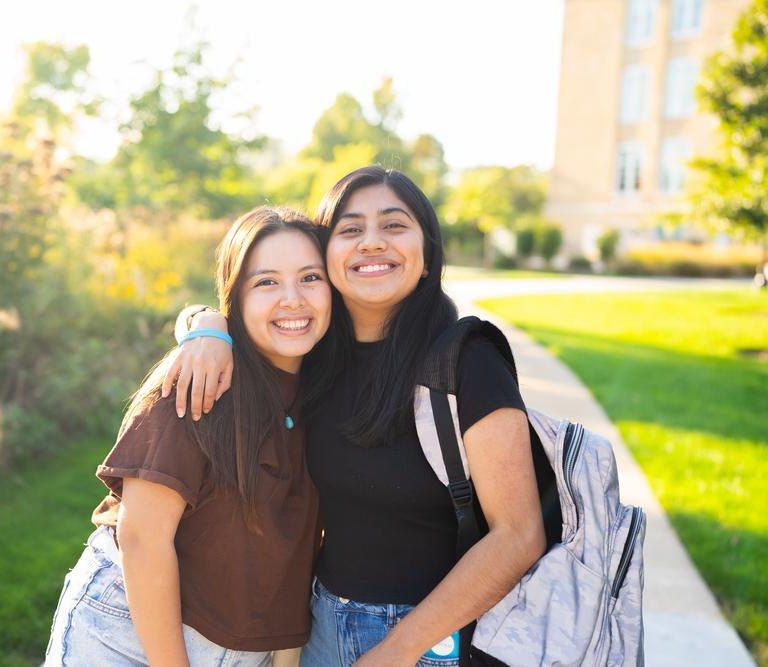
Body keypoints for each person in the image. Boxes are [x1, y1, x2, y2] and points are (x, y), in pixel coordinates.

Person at [166, 166, 547, 666]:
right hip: (318, 625)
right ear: (326, 258)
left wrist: (397, 651)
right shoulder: (315, 354)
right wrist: (206, 325)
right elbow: (251, 309)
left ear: (427, 256)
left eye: (394, 225)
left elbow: (519, 535)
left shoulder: (468, 359)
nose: (371, 242)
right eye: (350, 229)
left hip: (429, 639)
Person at [44, 206, 331, 666]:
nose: (292, 299)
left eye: (311, 277)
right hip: (131, 634)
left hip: (243, 647)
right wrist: (206, 326)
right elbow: (142, 540)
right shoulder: (202, 380)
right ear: (235, 297)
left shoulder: (326, 390)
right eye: (266, 282)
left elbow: (296, 548)